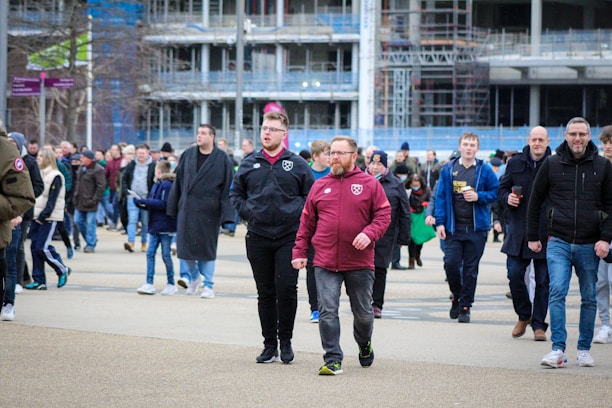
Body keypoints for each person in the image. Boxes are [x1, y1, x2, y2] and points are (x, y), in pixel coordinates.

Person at [292, 136, 391, 375]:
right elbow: (306, 222)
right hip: (325, 261)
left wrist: (369, 234)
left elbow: (384, 215)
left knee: (364, 314)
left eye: (339, 153)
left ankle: (364, 343)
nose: (333, 157)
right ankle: (333, 358)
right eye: (331, 153)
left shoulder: (369, 184)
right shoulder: (319, 185)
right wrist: (300, 251)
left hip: (359, 261)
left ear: (353, 156)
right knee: (327, 311)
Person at [528, 117, 612, 368]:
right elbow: (535, 201)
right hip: (559, 240)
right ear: (565, 135)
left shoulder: (603, 167)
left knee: (589, 296)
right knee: (557, 291)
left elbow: (610, 206)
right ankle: (558, 349)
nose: (577, 139)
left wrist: (606, 238)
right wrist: (533, 236)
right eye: (573, 134)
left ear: (589, 136)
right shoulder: (552, 165)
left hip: (589, 243)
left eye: (582, 134)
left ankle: (584, 349)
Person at [230, 111, 314, 364]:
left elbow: (310, 197)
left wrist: (295, 213)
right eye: (264, 128)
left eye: (273, 129)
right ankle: (269, 345)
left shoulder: (297, 164)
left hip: (289, 237)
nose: (267, 133)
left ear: (284, 134)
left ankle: (286, 341)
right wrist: (250, 213)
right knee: (265, 292)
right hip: (258, 236)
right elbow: (235, 195)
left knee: (286, 289)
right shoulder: (249, 162)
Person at [434, 132, 499, 323]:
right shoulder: (448, 169)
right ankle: (456, 294)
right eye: (466, 144)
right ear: (460, 146)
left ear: (477, 149)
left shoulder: (484, 169)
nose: (469, 148)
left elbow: (496, 193)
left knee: (470, 269)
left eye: (472, 145)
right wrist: (439, 222)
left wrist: (479, 197)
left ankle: (465, 306)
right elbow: (440, 197)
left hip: (477, 229)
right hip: (454, 228)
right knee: (451, 265)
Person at [167, 124, 234, 299]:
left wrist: (228, 217)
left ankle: (208, 285)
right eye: (198, 133)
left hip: (209, 212)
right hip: (187, 209)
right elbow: (178, 182)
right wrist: (173, 206)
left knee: (207, 250)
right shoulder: (188, 155)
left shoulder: (222, 159)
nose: (199, 136)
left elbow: (228, 189)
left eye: (203, 133)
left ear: (212, 137)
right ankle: (194, 276)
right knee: (184, 248)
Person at [498, 126, 551, 341]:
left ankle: (539, 324)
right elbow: (501, 190)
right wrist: (506, 199)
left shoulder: (555, 164)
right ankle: (524, 314)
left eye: (541, 139)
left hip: (545, 231)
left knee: (544, 281)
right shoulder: (516, 163)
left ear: (547, 142)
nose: (537, 143)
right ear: (528, 140)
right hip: (519, 230)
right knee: (514, 274)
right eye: (534, 139)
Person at [366, 150, 410, 318]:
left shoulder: (396, 183)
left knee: (380, 269)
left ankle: (377, 304)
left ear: (386, 166)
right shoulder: (360, 180)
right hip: (362, 233)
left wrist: (403, 237)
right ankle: (364, 302)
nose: (375, 167)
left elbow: (404, 212)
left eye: (379, 164)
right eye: (373, 164)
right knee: (362, 270)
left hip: (386, 234)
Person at [0, 131, 39, 320]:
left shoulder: (9, 153)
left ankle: (9, 303)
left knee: (13, 259)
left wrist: (16, 213)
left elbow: (26, 194)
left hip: (13, 220)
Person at [25, 148, 71, 290]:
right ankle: (39, 280)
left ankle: (62, 269)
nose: (37, 158)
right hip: (36, 215)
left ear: (47, 158)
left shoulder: (56, 175)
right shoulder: (39, 174)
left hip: (49, 217)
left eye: (40, 156)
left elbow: (52, 199)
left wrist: (43, 216)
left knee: (42, 248)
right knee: (34, 248)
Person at [135, 160, 177, 295]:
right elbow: (153, 203)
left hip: (165, 225)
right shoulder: (157, 185)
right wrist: (141, 204)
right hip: (155, 225)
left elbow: (164, 204)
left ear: (159, 171)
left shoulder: (167, 185)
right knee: (150, 253)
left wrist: (146, 201)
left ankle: (171, 283)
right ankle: (149, 282)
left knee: (165, 255)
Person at [304, 139, 331, 323]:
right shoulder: (305, 174)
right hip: (310, 228)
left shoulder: (334, 174)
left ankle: (327, 305)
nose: (330, 157)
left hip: (329, 229)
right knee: (312, 268)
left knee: (328, 269)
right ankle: (315, 308)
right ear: (315, 156)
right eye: (327, 154)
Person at [594, 125, 612, 344]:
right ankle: (605, 324)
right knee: (600, 282)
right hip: (600, 231)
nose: (608, 147)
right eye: (605, 143)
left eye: (611, 142)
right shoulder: (598, 166)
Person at [122, 144, 155, 253]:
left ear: (147, 153)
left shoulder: (153, 166)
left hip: (146, 198)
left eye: (143, 153)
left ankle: (144, 242)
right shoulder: (131, 165)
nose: (141, 155)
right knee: (132, 219)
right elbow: (124, 179)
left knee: (145, 221)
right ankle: (130, 242)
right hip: (132, 196)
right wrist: (126, 191)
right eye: (139, 153)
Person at [73, 150, 106, 253]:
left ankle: (90, 245)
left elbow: (101, 187)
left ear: (89, 159)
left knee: (90, 223)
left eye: (83, 157)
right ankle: (90, 239)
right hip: (80, 201)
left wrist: (94, 199)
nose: (80, 159)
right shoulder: (81, 168)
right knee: (78, 221)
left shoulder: (98, 169)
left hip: (91, 202)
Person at [407, 174, 432, 269]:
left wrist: (427, 204)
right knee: (411, 239)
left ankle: (417, 255)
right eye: (413, 185)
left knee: (419, 239)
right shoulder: (407, 191)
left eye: (417, 185)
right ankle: (411, 260)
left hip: (421, 216)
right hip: (411, 216)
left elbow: (431, 201)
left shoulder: (427, 190)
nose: (415, 187)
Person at [103, 144, 123, 230]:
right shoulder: (110, 163)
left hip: (120, 188)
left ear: (118, 151)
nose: (112, 151)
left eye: (114, 150)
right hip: (112, 188)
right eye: (111, 149)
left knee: (116, 205)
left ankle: (115, 223)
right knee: (114, 206)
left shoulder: (123, 161)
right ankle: (116, 222)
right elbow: (105, 175)